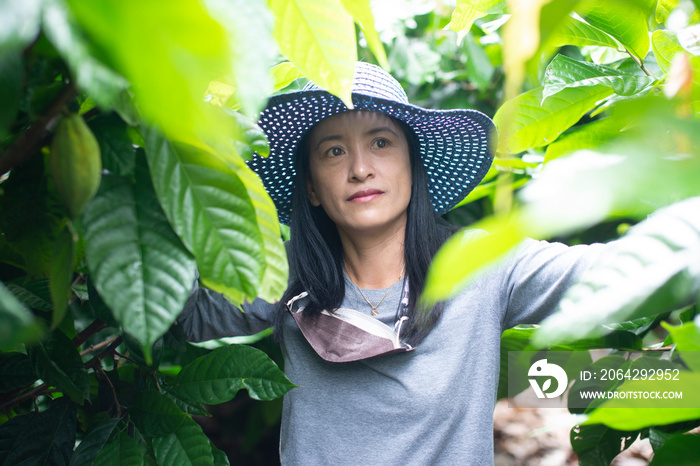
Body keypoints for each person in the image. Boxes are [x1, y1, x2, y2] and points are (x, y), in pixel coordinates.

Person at [178, 62, 603, 464]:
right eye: (333, 151)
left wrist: (665, 381)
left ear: (412, 167)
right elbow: (183, 315)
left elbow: (619, 275)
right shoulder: (287, 274)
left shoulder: (477, 264)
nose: (360, 169)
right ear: (310, 187)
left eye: (380, 143)